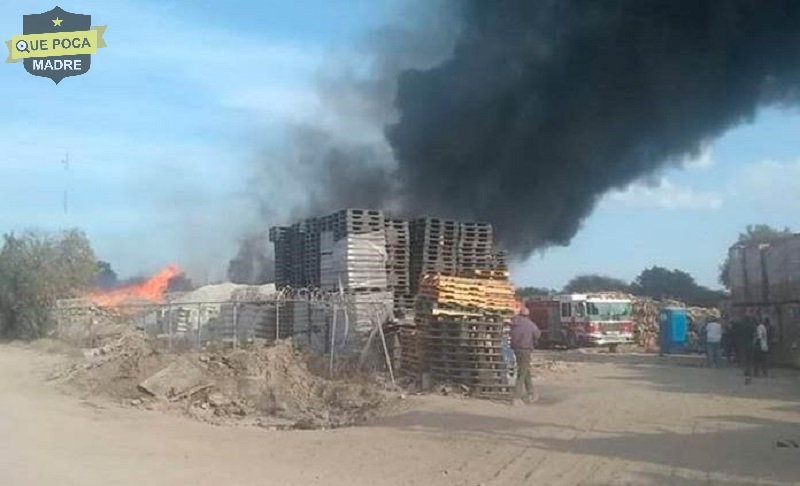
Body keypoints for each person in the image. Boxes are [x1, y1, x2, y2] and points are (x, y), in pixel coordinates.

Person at [509, 306, 541, 404]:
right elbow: (537, 335)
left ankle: (531, 393)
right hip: (525, 349)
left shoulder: (514, 323)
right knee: (521, 373)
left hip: (516, 350)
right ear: (528, 315)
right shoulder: (530, 324)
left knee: (525, 370)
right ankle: (516, 397)